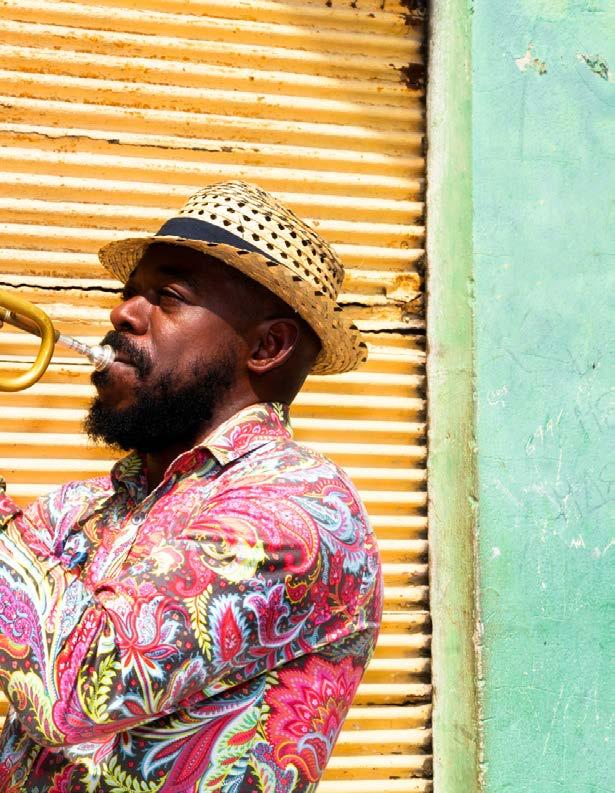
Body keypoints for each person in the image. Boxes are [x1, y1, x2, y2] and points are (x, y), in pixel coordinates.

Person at [0, 181, 382, 792]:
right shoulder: (82, 508)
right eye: (129, 293)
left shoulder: (302, 510)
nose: (122, 314)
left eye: (168, 296)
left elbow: (83, 689)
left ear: (268, 346)